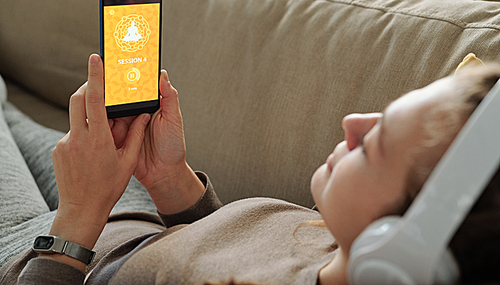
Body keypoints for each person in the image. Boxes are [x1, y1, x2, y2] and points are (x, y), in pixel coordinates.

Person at [0, 54, 498, 284]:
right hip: (132, 216)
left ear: (400, 251)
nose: (352, 123)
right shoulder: (342, 239)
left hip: (49, 252)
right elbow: (222, 253)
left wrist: (77, 217)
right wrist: (170, 179)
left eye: (375, 146)